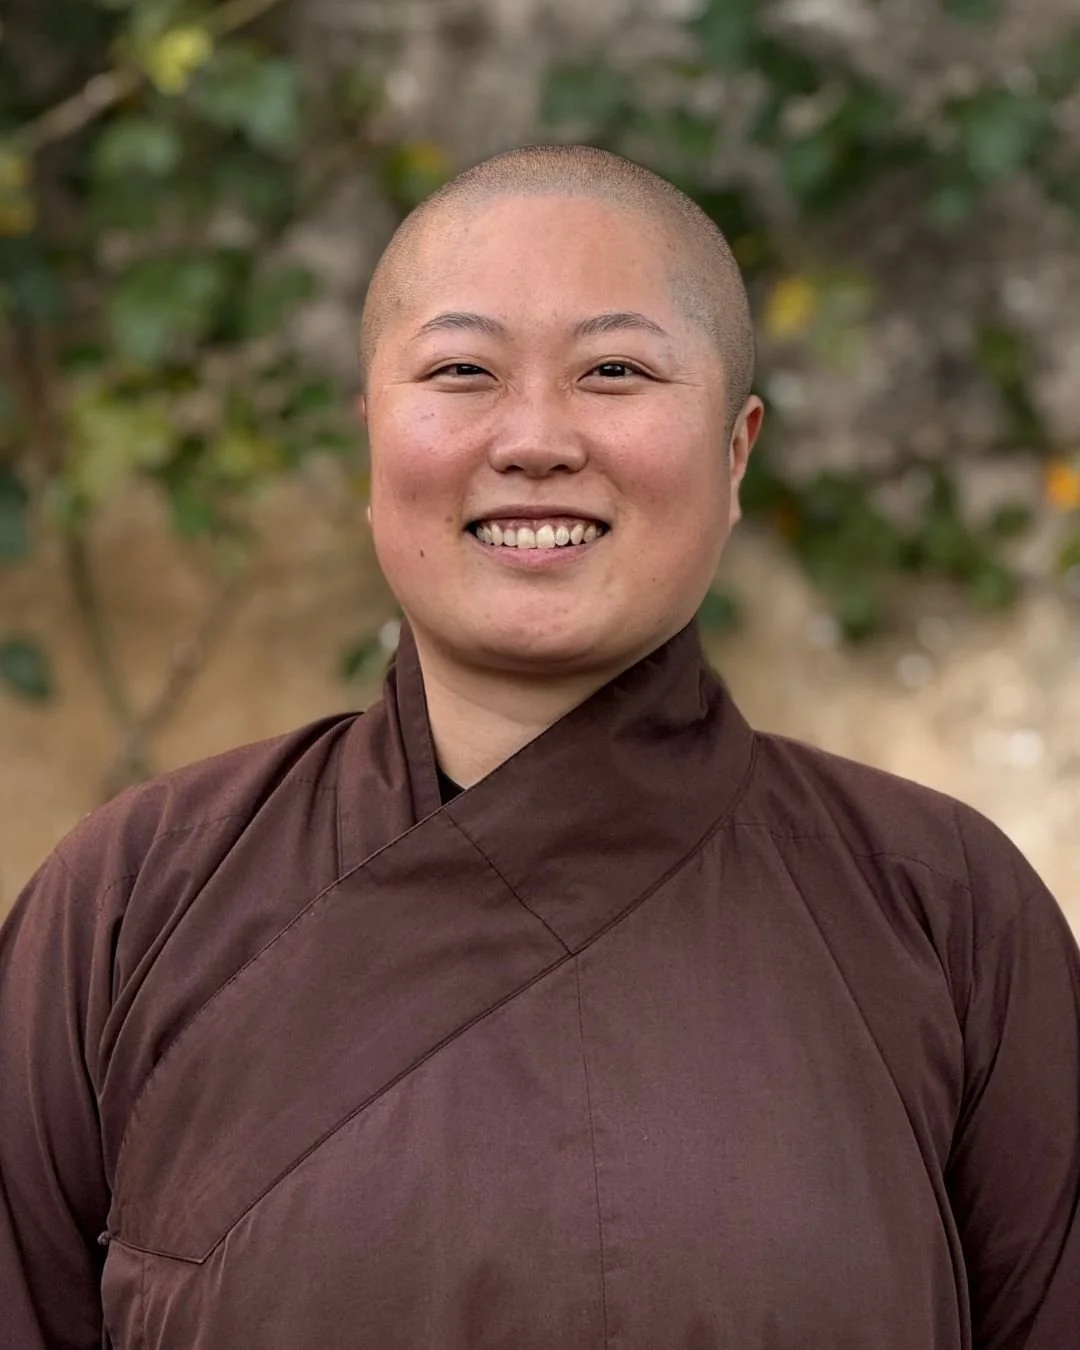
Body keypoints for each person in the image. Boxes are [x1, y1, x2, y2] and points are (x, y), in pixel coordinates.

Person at [1, 144, 1077, 1350]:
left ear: (735, 452)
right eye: (462, 370)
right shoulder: (133, 899)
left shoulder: (944, 910)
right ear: (371, 441)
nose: (534, 439)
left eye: (614, 370)